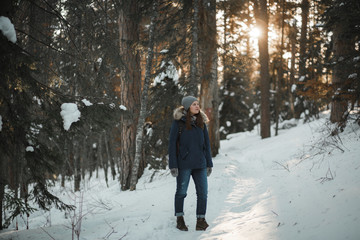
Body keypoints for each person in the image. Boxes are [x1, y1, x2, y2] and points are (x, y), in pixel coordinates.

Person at [168, 96, 213, 231]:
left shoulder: (201, 123)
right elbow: (171, 145)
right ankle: (180, 219)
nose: (197, 106)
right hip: (184, 164)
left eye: (198, 104)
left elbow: (207, 145)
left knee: (203, 193)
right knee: (181, 192)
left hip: (200, 164)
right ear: (187, 107)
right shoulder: (178, 123)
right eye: (194, 104)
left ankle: (201, 220)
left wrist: (209, 163)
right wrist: (173, 165)